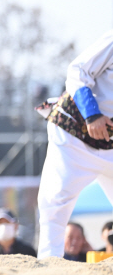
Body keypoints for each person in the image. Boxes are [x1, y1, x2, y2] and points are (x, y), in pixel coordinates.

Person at [36, 31, 113, 259]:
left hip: (110, 143)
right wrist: (92, 113)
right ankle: (48, 270)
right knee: (55, 204)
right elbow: (77, 70)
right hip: (74, 132)